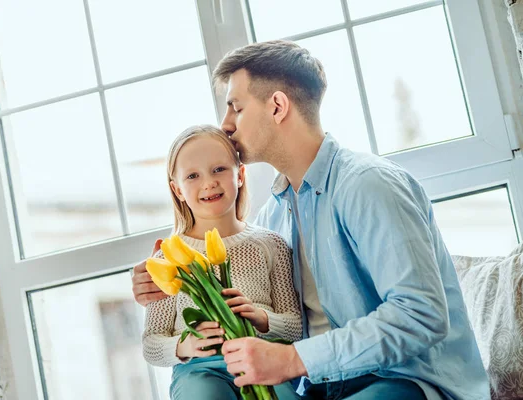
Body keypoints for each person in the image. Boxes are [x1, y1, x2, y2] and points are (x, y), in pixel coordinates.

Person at [134, 40, 489, 400]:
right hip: (322, 387)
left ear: (277, 106)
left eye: (235, 108)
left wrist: (291, 359)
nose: (225, 125)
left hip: (406, 382)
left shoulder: (368, 185)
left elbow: (420, 315)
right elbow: (287, 320)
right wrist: (164, 281)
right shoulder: (274, 217)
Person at [142, 124, 303, 400]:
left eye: (219, 169)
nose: (209, 182)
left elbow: (295, 327)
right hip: (199, 370)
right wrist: (185, 345)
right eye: (192, 175)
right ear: (177, 190)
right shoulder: (169, 258)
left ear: (240, 175)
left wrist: (261, 318)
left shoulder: (270, 244)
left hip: (263, 361)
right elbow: (151, 343)